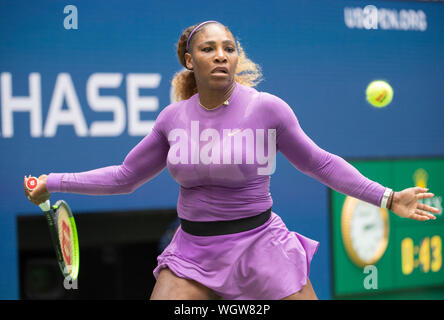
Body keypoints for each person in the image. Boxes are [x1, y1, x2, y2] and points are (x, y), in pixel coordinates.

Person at [24, 21, 441, 300]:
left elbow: (322, 164)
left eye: (229, 48)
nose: (221, 55)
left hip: (262, 246)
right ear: (191, 61)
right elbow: (125, 176)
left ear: (237, 58)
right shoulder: (172, 119)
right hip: (191, 253)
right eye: (209, 49)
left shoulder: (268, 109)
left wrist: (388, 197)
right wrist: (53, 180)